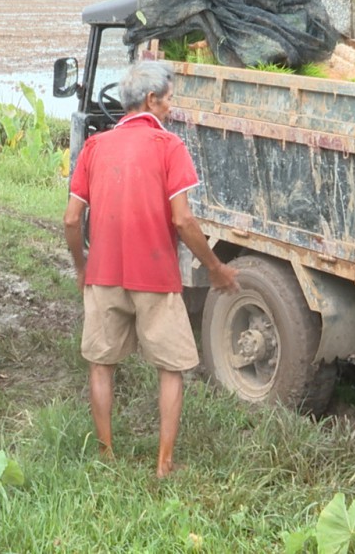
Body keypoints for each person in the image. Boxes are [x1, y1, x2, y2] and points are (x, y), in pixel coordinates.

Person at [62, 61, 238, 478]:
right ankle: (164, 464)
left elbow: (72, 219)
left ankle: (106, 455)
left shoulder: (95, 147)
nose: (171, 107)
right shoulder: (168, 146)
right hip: (155, 277)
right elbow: (183, 221)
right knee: (171, 368)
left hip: (103, 274)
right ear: (150, 100)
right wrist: (214, 267)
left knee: (101, 365)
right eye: (169, 99)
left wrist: (81, 267)